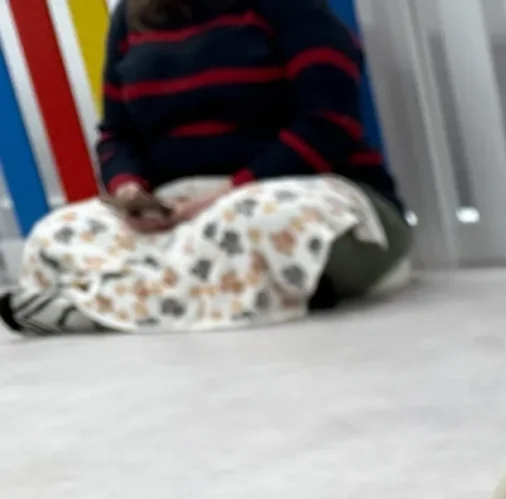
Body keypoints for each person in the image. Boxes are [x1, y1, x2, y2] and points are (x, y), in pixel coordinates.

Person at [0, 0, 410, 337]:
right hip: (176, 212)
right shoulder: (131, 16)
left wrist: (227, 193)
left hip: (301, 191)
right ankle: (208, 299)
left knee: (262, 222)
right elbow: (116, 134)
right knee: (56, 234)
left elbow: (329, 124)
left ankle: (100, 310)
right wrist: (129, 191)